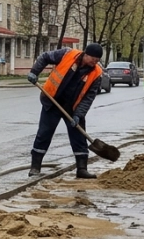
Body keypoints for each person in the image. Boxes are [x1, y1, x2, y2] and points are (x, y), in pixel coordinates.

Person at [26, 43, 105, 179]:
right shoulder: (67, 54)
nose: (95, 63)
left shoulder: (96, 74)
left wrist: (78, 115)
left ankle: (82, 169)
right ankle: (35, 167)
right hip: (52, 101)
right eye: (93, 59)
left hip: (73, 108)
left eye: (97, 61)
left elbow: (88, 98)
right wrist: (34, 72)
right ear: (86, 54)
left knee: (79, 137)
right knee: (44, 134)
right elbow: (45, 57)